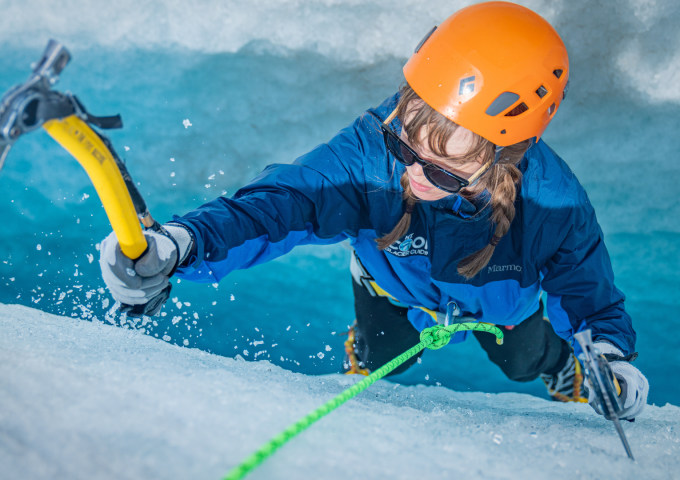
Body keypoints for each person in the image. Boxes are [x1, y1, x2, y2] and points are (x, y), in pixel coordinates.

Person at [99, 2, 648, 419]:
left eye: (441, 170)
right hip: (393, 289)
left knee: (525, 360)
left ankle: (567, 373)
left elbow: (587, 287)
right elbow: (282, 204)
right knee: (389, 354)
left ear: (505, 158)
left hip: (500, 306)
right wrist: (181, 244)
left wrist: (610, 356)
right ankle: (366, 349)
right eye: (407, 147)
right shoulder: (369, 149)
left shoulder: (552, 202)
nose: (412, 173)